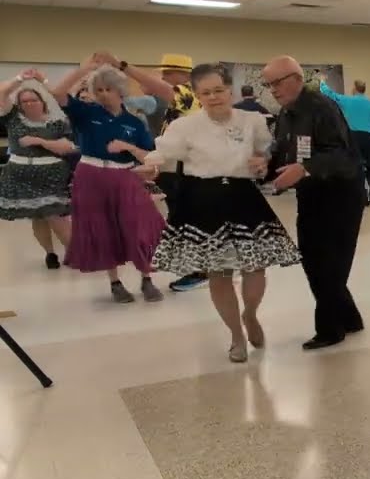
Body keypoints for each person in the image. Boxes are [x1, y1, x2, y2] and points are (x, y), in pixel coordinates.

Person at [145, 63, 301, 362]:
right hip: (202, 199)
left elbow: (265, 153)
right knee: (219, 272)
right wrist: (147, 165)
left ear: (229, 89)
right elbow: (163, 154)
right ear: (197, 95)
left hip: (243, 197)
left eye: (218, 90)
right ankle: (236, 336)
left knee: (255, 266)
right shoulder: (184, 126)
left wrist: (262, 163)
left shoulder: (252, 120)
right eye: (205, 93)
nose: (214, 97)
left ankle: (251, 314)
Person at [260, 55, 365, 351]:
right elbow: (283, 153)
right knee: (312, 259)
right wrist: (265, 166)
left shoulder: (321, 108)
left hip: (341, 194)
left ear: (296, 78)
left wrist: (305, 168)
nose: (273, 90)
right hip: (311, 195)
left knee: (331, 264)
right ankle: (350, 318)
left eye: (277, 83)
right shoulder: (285, 115)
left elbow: (341, 155)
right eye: (268, 85)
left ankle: (330, 329)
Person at [50, 52, 174, 303]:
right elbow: (57, 93)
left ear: (120, 91)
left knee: (141, 226)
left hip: (124, 177)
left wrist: (127, 147)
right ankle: (115, 283)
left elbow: (148, 156)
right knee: (102, 229)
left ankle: (146, 278)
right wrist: (83, 70)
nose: (104, 93)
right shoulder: (86, 112)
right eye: (99, 89)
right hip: (90, 175)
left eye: (108, 89)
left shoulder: (135, 122)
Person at [0, 71, 75, 269]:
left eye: (33, 99)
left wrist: (39, 141)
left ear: (42, 101)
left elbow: (67, 147)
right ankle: (50, 253)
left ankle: (74, 253)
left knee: (55, 215)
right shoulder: (13, 118)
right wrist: (19, 79)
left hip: (52, 176)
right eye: (24, 101)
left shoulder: (58, 122)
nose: (29, 104)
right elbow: (1, 93)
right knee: (37, 216)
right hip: (20, 175)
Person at [152, 54, 209, 295]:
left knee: (188, 220)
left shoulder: (187, 94)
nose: (163, 78)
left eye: (168, 73)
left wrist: (124, 67)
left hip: (183, 171)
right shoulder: (180, 104)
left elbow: (158, 88)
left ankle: (201, 270)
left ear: (184, 74)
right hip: (175, 170)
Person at [319, 79, 370, 206]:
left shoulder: (348, 100)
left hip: (353, 136)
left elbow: (330, 94)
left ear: (354, 89)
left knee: (356, 166)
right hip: (369, 137)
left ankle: (361, 194)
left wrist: (322, 82)